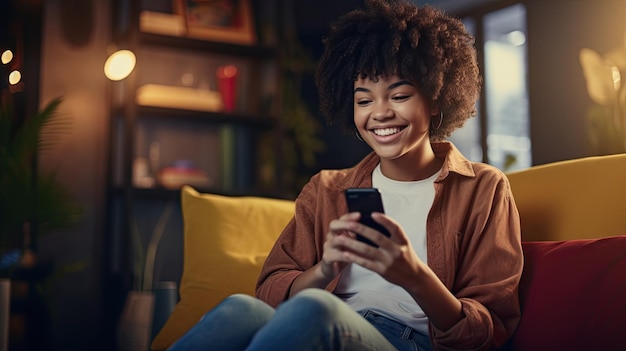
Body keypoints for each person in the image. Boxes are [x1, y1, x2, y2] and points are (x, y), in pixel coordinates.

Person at [167, 0, 523, 350]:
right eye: (364, 100)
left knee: (317, 309)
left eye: (398, 95)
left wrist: (414, 275)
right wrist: (326, 267)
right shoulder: (326, 189)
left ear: (435, 99)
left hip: (407, 340)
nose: (380, 113)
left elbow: (487, 331)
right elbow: (270, 291)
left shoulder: (483, 188)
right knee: (241, 308)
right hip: (319, 325)